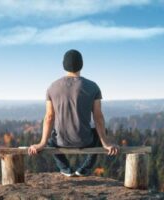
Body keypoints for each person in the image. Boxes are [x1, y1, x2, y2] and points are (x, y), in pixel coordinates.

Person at [28, 49, 119, 177]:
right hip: (85, 140)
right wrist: (106, 143)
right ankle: (84, 169)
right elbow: (98, 117)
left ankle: (65, 168)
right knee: (101, 133)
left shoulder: (52, 87)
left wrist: (41, 143)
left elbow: (49, 117)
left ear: (63, 64)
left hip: (61, 141)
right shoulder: (93, 87)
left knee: (50, 139)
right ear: (81, 64)